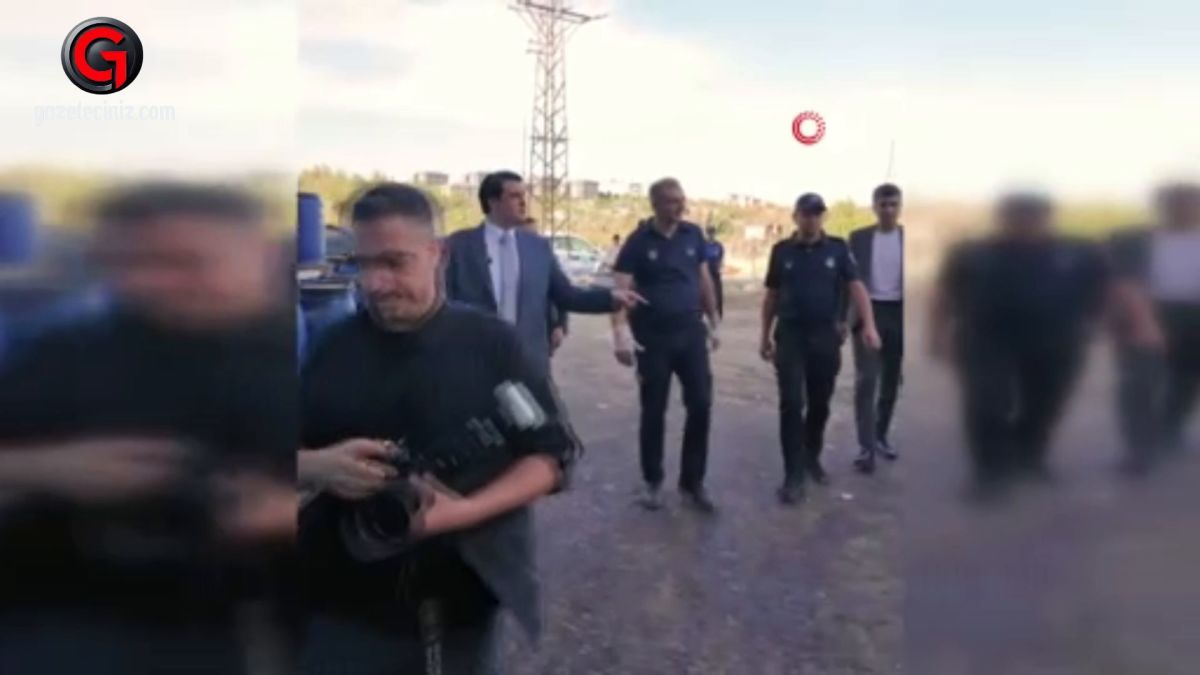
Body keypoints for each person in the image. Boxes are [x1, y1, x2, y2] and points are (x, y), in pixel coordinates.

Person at [0, 182, 298, 674]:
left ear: (263, 256)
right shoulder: (65, 351)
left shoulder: (309, 356)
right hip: (57, 615)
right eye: (129, 264)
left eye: (183, 263)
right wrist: (51, 469)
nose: (149, 283)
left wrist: (278, 512)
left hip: (241, 625)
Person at [296, 183, 578, 675]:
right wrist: (318, 466)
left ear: (438, 254)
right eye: (364, 264)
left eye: (394, 262)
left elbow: (551, 457)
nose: (375, 284)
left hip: (457, 608)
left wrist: (461, 512)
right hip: (339, 604)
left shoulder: (491, 347)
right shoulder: (331, 346)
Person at [928, 192, 1161, 502]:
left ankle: (1029, 457)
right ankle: (989, 472)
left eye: (1032, 215)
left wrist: (1137, 323)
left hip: (1059, 340)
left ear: (1047, 217)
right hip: (985, 340)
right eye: (1016, 215)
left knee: (1045, 404)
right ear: (1002, 217)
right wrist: (937, 334)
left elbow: (1113, 289)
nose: (1025, 222)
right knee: (987, 404)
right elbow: (943, 293)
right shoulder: (971, 253)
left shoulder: (1079, 251)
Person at [443, 171, 643, 375]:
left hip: (527, 364)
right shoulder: (458, 246)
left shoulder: (538, 247)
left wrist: (610, 299)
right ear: (492, 201)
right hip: (473, 363)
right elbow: (442, 302)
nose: (524, 202)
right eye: (515, 196)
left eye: (524, 195)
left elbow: (566, 295)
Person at [760, 193, 882, 505]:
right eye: (806, 213)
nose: (811, 219)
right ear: (795, 217)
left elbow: (857, 287)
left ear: (823, 217)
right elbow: (771, 296)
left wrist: (869, 325)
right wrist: (764, 336)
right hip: (790, 337)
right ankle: (793, 475)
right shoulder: (781, 251)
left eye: (817, 214)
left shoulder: (838, 249)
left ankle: (811, 456)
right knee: (791, 403)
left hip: (825, 338)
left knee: (819, 404)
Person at [612, 178, 721, 513]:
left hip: (690, 334)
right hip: (652, 337)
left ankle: (693, 483)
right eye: (672, 201)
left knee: (701, 404)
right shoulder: (638, 241)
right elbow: (621, 289)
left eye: (681, 200)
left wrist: (714, 320)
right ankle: (652, 480)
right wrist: (620, 334)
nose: (679, 206)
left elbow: (703, 278)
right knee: (653, 410)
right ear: (656, 204)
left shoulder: (693, 235)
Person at [1109, 181, 1200, 474]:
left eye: (1190, 203)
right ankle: (1139, 450)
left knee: (1187, 381)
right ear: (1161, 207)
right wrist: (1144, 321)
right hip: (1145, 312)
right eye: (1175, 203)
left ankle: (1170, 429)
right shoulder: (1130, 239)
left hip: (1195, 314)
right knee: (1140, 383)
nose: (1184, 210)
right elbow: (1121, 281)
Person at [848, 184, 906, 474]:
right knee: (866, 381)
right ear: (874, 207)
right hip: (868, 313)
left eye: (893, 204)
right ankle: (866, 447)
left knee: (891, 381)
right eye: (883, 204)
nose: (888, 210)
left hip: (901, 315)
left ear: (900, 207)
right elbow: (847, 280)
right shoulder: (858, 238)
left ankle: (881, 436)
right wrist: (843, 319)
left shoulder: (911, 239)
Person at [519, 216, 569, 357]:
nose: (532, 240)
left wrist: (560, 325)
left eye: (535, 234)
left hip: (543, 330)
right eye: (527, 235)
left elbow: (562, 292)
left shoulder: (545, 259)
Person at [705, 225, 726, 319]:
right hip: (706, 271)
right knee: (706, 291)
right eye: (709, 233)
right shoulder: (703, 245)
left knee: (718, 292)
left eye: (712, 233)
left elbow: (721, 257)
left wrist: (720, 266)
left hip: (715, 271)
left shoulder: (718, 245)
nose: (711, 235)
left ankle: (719, 312)